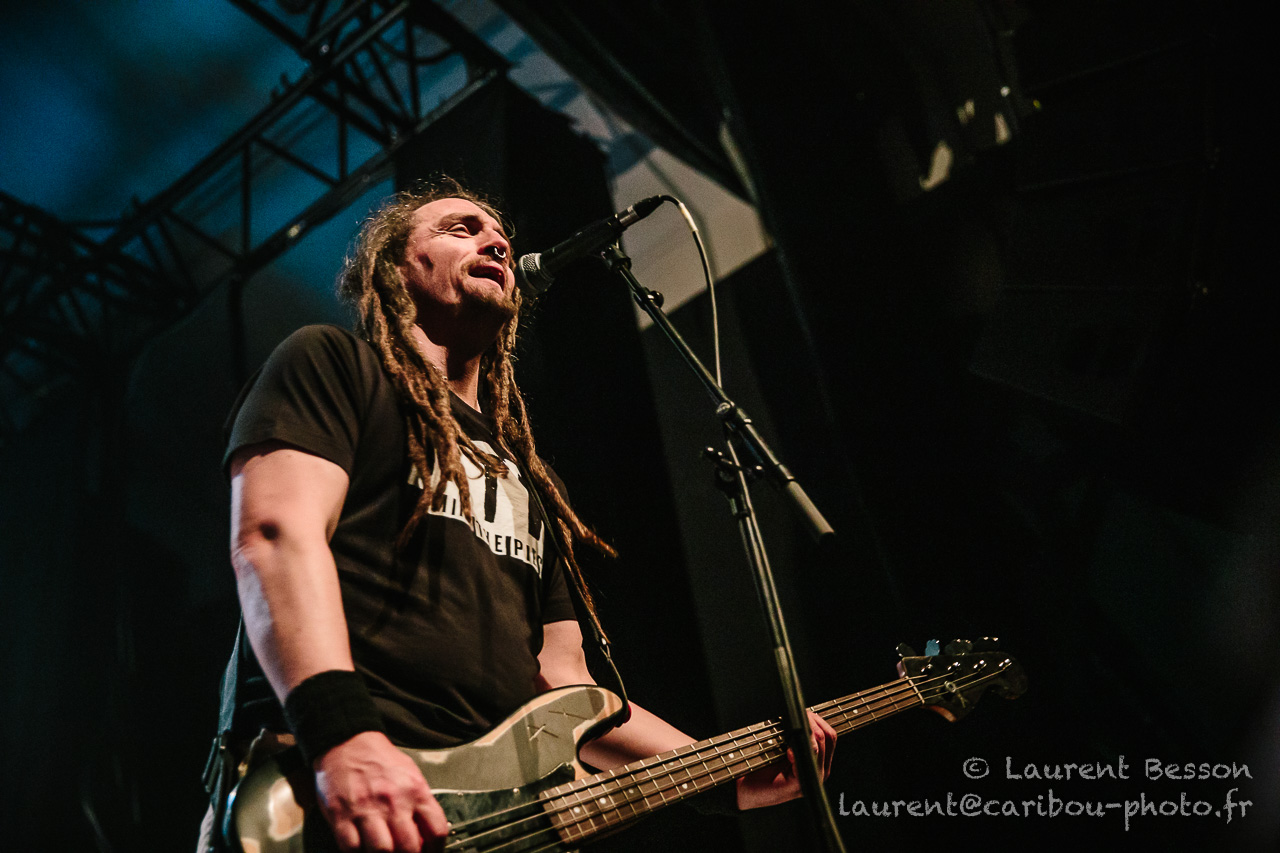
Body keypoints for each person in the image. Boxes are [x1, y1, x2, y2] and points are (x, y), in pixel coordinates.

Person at [215, 178, 835, 852]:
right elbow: (274, 538)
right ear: (394, 268)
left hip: (478, 824)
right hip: (337, 784)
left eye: (500, 234)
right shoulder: (333, 365)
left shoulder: (525, 479)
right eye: (461, 228)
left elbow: (564, 687)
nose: (496, 242)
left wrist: (726, 775)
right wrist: (342, 734)